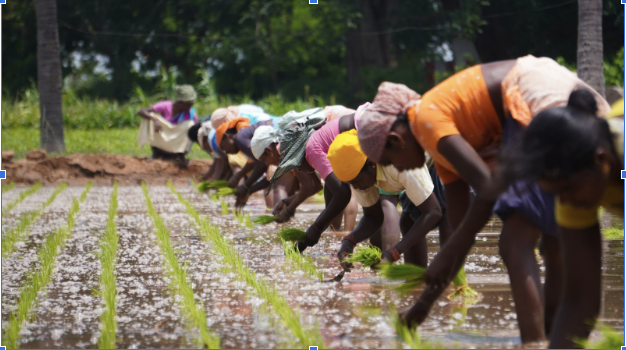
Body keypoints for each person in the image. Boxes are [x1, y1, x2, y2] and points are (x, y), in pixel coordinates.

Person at [356, 55, 610, 344]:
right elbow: (461, 227)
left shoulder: (426, 119)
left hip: (533, 94)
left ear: (396, 139)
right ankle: (552, 337)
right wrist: (422, 307)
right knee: (550, 241)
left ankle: (534, 341)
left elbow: (487, 188)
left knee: (516, 240)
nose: (397, 169)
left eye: (389, 160)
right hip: (543, 90)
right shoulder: (440, 150)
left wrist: (447, 255)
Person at [501, 89, 623, 348]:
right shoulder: (573, 190)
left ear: (602, 161)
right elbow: (580, 303)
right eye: (555, 194)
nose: (564, 202)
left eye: (566, 191)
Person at [327, 129, 449, 271]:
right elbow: (373, 217)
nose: (357, 187)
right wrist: (349, 241)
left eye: (357, 181)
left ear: (371, 164)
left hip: (440, 155)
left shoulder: (400, 162)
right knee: (408, 220)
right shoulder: (361, 175)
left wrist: (394, 252)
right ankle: (416, 280)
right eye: (351, 183)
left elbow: (433, 212)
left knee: (446, 221)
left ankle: (451, 280)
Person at [270, 105, 374, 252]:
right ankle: (339, 238)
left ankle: (379, 258)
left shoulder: (312, 149)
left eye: (296, 165)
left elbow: (343, 193)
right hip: (366, 124)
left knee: (379, 206)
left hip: (369, 127)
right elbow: (331, 194)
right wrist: (320, 230)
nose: (299, 170)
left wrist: (316, 228)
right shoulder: (317, 145)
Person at [251, 125, 323, 222]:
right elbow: (317, 186)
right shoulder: (286, 149)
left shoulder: (288, 152)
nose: (266, 163)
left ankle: (343, 232)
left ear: (269, 151)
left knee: (335, 194)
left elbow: (308, 187)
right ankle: (337, 232)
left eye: (264, 160)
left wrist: (287, 211)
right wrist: (286, 201)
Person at [138, 85, 198, 163]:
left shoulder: (191, 114)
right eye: (188, 105)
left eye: (191, 105)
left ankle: (181, 156)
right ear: (180, 103)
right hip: (161, 145)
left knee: (190, 125)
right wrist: (154, 120)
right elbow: (141, 111)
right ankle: (155, 154)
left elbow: (195, 133)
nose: (190, 107)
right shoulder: (166, 105)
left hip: (176, 149)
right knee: (151, 117)